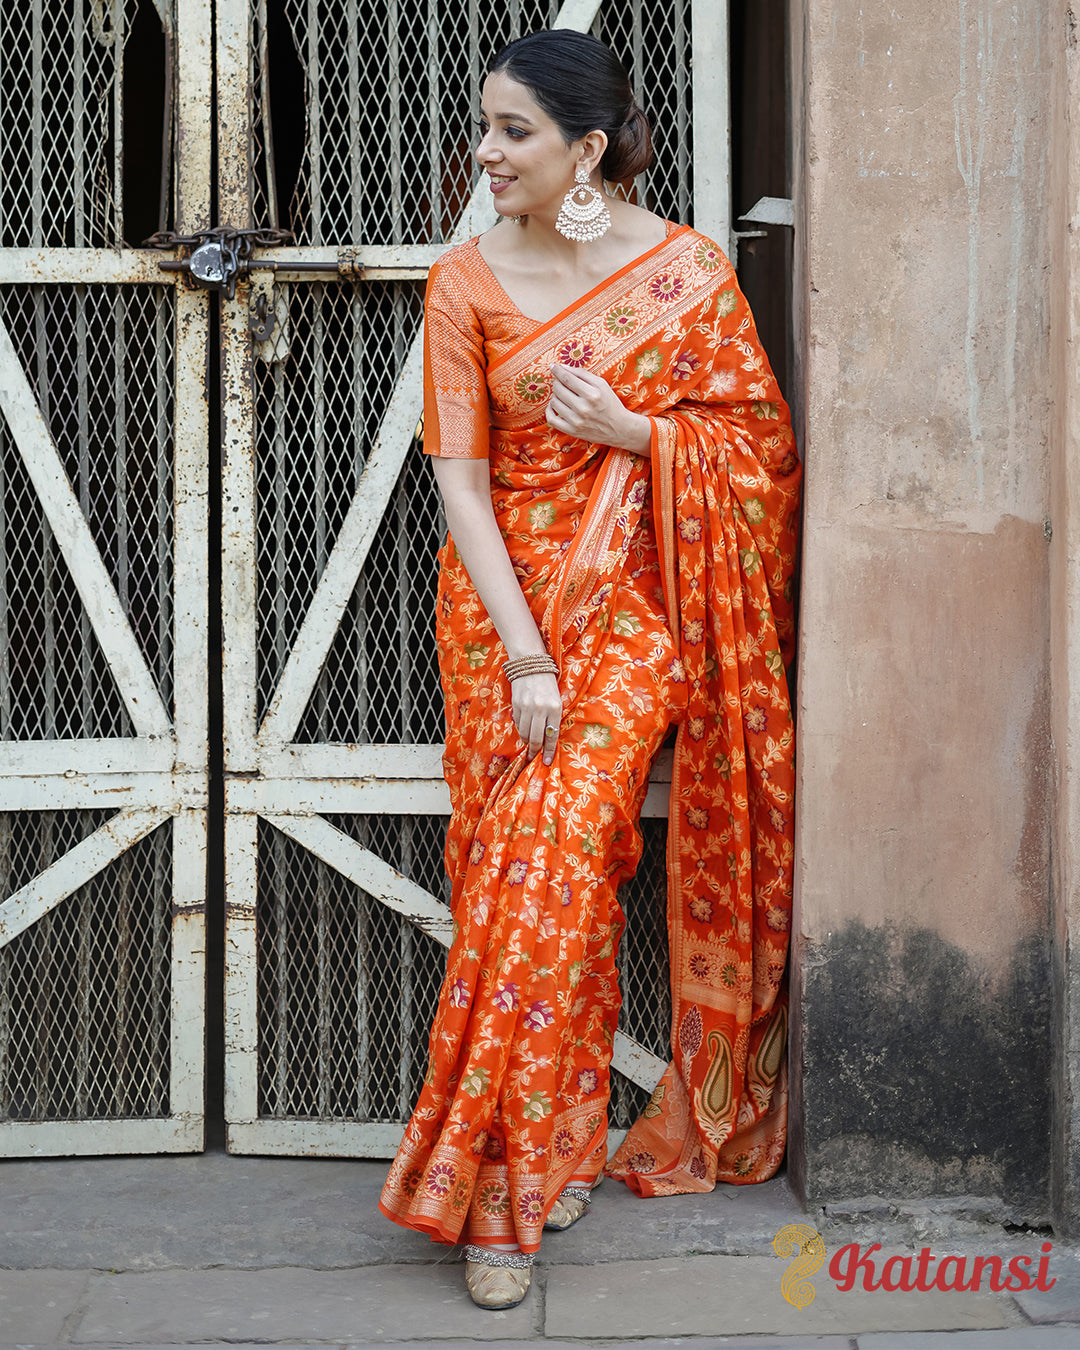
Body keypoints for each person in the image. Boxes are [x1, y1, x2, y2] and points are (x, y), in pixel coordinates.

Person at [379, 28, 801, 1311]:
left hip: (636, 616)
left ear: (588, 149)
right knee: (517, 882)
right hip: (503, 620)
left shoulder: (687, 272)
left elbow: (761, 455)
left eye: (512, 132)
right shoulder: (466, 283)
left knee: (551, 863)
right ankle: (553, 1136)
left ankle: (497, 1199)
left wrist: (641, 434)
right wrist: (519, 656)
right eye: (485, 127)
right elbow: (457, 483)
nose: (485, 152)